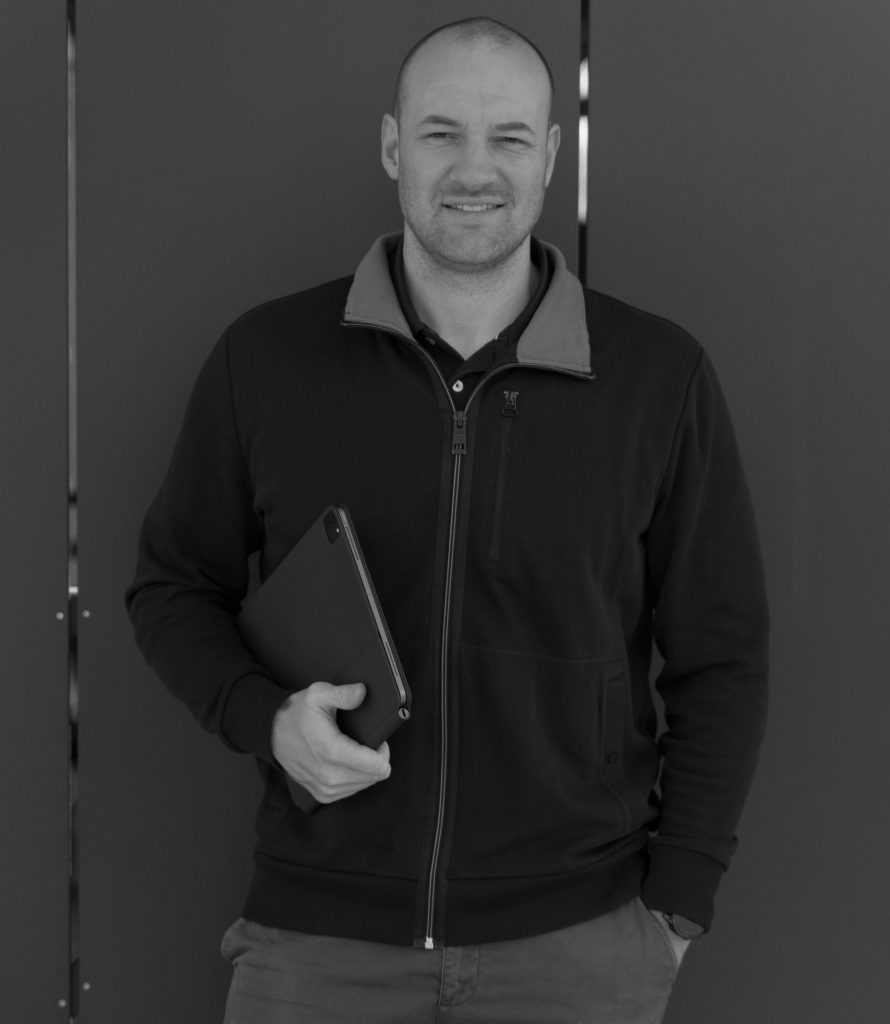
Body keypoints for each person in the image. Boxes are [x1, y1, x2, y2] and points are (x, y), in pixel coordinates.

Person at [126, 16, 768, 1024]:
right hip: (319, 945)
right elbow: (173, 587)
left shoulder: (658, 376)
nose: (474, 168)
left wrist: (678, 901)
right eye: (440, 133)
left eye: (507, 137)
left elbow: (720, 653)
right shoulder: (268, 359)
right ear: (393, 146)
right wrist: (267, 719)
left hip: (578, 948)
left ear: (549, 156)